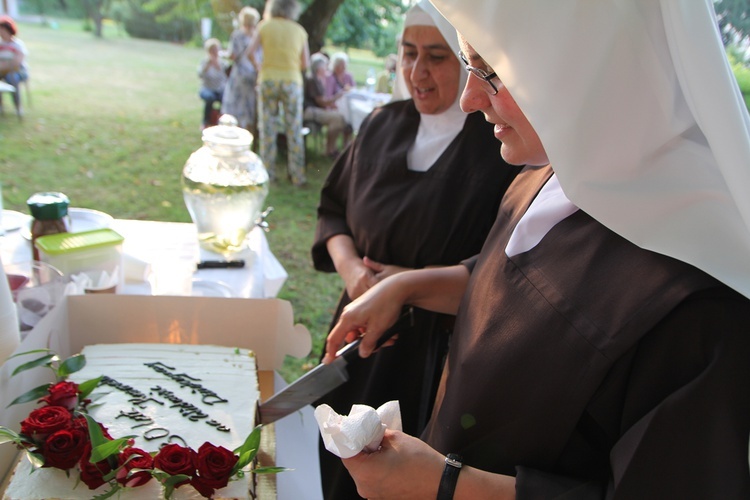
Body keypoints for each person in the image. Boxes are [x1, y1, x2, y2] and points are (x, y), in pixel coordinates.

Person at [322, 0, 750, 498]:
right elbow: (506, 284)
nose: (469, 98)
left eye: (495, 74)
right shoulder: (550, 173)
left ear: (590, 69)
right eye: (469, 66)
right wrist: (404, 287)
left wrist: (446, 485)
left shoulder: (701, 297)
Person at [312, 2, 521, 498]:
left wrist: (408, 283)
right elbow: (334, 211)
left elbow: (499, 264)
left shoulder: (499, 147)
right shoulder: (382, 125)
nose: (417, 72)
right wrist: (354, 276)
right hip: (359, 331)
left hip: (436, 354)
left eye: (437, 57)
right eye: (408, 54)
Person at [248, 0, 310, 186]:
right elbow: (305, 64)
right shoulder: (299, 31)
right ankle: (297, 175)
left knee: (267, 128)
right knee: (294, 129)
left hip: (268, 79)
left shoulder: (264, 26)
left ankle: (268, 174)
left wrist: (260, 67)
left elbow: (250, 52)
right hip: (291, 81)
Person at [221, 6, 261, 135]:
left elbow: (233, 55)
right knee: (249, 109)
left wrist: (224, 54)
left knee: (235, 108)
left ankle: (233, 136)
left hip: (239, 75)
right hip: (253, 75)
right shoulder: (258, 36)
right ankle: (248, 136)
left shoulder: (237, 35)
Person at [303, 53, 350, 157]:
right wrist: (338, 95)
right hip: (309, 111)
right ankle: (329, 150)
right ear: (319, 67)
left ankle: (331, 148)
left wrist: (332, 105)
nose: (326, 68)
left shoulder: (319, 80)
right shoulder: (312, 80)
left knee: (339, 118)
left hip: (315, 110)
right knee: (337, 119)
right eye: (324, 66)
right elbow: (321, 102)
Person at [0, 15, 28, 117]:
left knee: (12, 79)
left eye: (2, 30)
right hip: (1, 71)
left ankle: (18, 107)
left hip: (17, 72)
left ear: (9, 30)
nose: (1, 33)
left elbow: (16, 63)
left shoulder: (18, 45)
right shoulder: (1, 45)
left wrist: (3, 68)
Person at [197, 38, 228, 129]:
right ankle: (205, 121)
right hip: (207, 88)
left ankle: (221, 120)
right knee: (209, 98)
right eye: (212, 50)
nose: (214, 52)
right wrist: (207, 66)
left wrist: (218, 67)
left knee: (225, 99)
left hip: (220, 89)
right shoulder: (204, 62)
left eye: (216, 49)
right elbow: (200, 75)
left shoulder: (223, 63)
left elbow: (226, 77)